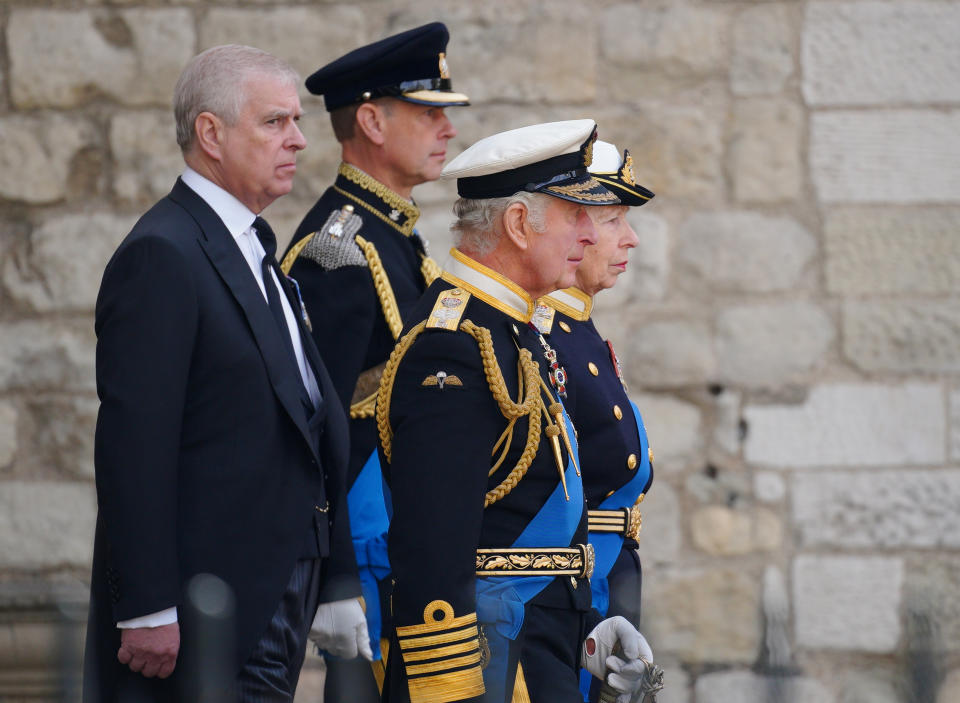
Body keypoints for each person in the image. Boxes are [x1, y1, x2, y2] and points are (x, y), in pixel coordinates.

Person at [83, 44, 368, 703]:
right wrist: (146, 603)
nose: (298, 140)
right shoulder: (164, 251)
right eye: (274, 123)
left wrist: (333, 576)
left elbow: (306, 421)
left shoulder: (253, 246)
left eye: (296, 122)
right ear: (210, 132)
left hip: (274, 587)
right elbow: (134, 442)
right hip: (202, 607)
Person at [376, 120, 655, 703]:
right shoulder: (455, 343)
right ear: (519, 224)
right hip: (488, 667)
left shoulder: (510, 331)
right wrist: (449, 687)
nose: (590, 236)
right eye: (576, 215)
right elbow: (435, 544)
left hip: (538, 645)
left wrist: (590, 625)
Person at [279, 21, 469, 700]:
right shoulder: (338, 251)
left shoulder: (397, 238)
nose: (447, 130)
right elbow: (310, 429)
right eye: (429, 113)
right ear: (370, 120)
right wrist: (332, 580)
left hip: (408, 548)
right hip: (368, 561)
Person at [535, 141, 662, 702]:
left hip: (608, 584)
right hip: (574, 589)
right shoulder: (545, 335)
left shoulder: (580, 329)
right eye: (612, 221)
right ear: (572, 228)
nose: (629, 238)